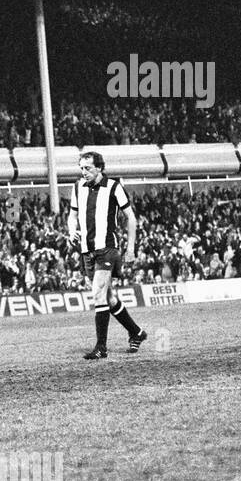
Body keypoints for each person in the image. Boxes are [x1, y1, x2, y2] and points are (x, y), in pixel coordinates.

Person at [67, 151, 148, 360]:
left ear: (100, 168)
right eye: (81, 168)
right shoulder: (77, 187)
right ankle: (136, 332)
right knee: (108, 297)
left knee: (98, 293)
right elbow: (72, 215)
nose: (83, 172)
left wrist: (130, 249)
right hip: (86, 249)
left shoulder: (114, 187)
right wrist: (71, 231)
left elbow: (131, 218)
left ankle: (101, 347)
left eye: (88, 168)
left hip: (107, 248)